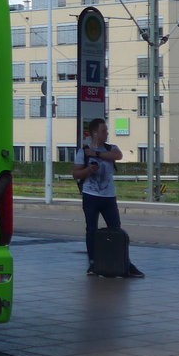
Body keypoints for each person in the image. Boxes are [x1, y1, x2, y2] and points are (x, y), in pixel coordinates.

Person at [73, 117, 143, 277]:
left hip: (108, 197)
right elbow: (75, 174)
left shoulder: (111, 148)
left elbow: (117, 156)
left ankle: (125, 263)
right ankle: (92, 264)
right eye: (104, 131)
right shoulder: (82, 152)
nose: (107, 133)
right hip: (90, 196)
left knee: (116, 229)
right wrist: (88, 170)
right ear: (95, 133)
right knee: (91, 230)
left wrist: (96, 153)